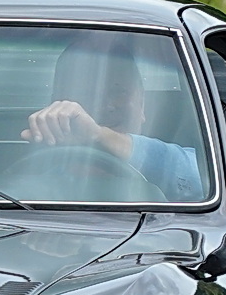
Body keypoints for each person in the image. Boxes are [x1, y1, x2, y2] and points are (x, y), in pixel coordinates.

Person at [21, 33, 202, 200]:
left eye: (119, 92)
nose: (107, 106)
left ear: (142, 104)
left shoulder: (190, 171)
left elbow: (209, 177)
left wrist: (98, 136)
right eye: (88, 94)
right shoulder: (32, 194)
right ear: (57, 107)